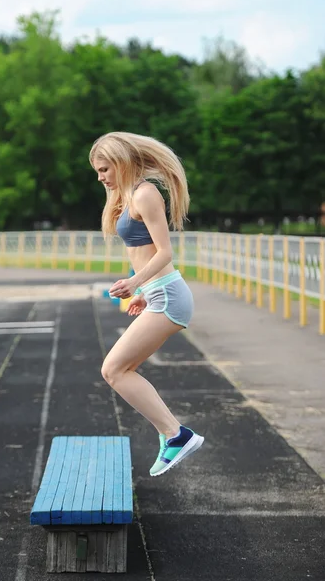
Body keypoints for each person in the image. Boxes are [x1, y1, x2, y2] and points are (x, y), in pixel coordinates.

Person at [89, 131, 204, 476]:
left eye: (105, 169)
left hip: (169, 294)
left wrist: (135, 282)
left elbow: (166, 251)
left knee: (114, 370)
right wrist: (143, 291)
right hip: (158, 293)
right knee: (117, 370)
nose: (101, 177)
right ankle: (173, 434)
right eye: (98, 171)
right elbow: (147, 255)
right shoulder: (130, 197)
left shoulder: (146, 194)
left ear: (122, 163)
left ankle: (176, 434)